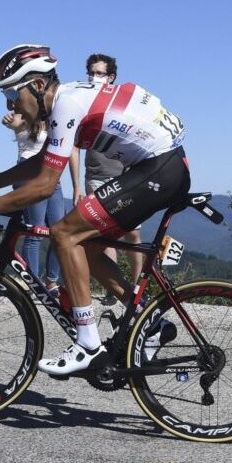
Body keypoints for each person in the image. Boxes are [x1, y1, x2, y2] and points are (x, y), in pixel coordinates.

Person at [0, 44, 189, 375]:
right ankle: (149, 322)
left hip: (159, 169)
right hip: (163, 167)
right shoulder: (70, 98)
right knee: (85, 244)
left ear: (36, 86)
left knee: (64, 233)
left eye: (11, 95)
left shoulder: (68, 104)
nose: (10, 105)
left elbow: (45, 185)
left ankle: (88, 344)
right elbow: (40, 164)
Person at [81, 54, 144, 304]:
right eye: (91, 72)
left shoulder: (123, 104)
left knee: (133, 235)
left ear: (111, 77)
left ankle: (139, 287)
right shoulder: (84, 102)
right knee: (105, 236)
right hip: (95, 175)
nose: (94, 77)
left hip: (124, 175)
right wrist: (76, 183)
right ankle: (113, 289)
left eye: (99, 73)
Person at [1, 111, 80, 296]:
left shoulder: (58, 121)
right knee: (34, 231)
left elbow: (73, 151)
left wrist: (77, 186)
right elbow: (12, 122)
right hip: (29, 175)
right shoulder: (26, 117)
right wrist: (7, 120)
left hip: (53, 177)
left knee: (59, 230)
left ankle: (51, 282)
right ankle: (33, 283)